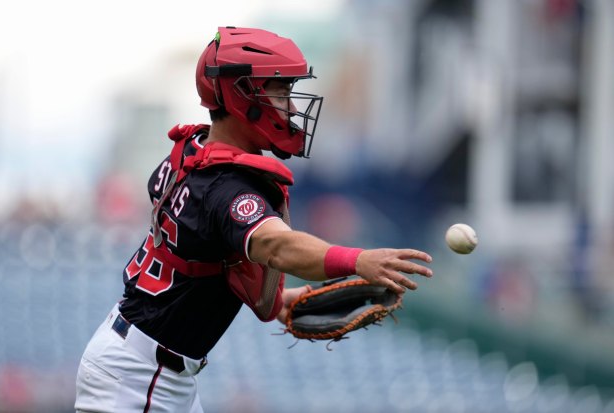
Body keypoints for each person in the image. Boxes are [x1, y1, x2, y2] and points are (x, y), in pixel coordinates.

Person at [74, 26, 434, 413]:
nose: (292, 107)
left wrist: (280, 302)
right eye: (280, 91)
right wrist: (358, 260)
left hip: (146, 366)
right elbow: (275, 245)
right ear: (242, 95)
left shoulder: (191, 153)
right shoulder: (226, 187)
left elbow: (208, 260)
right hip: (140, 378)